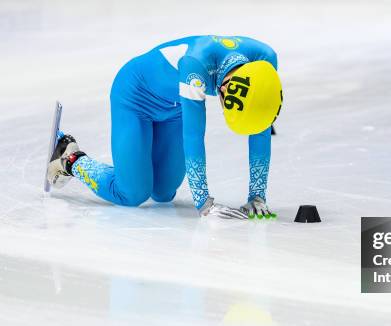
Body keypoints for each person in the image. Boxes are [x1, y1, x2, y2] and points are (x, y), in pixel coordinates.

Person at [46, 35, 282, 220]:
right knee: (132, 193)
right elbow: (194, 137)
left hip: (175, 106)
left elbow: (260, 124)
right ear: (223, 90)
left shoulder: (265, 59)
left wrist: (257, 196)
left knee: (163, 192)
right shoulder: (196, 64)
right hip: (134, 98)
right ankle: (70, 158)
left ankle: (128, 168)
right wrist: (204, 204)